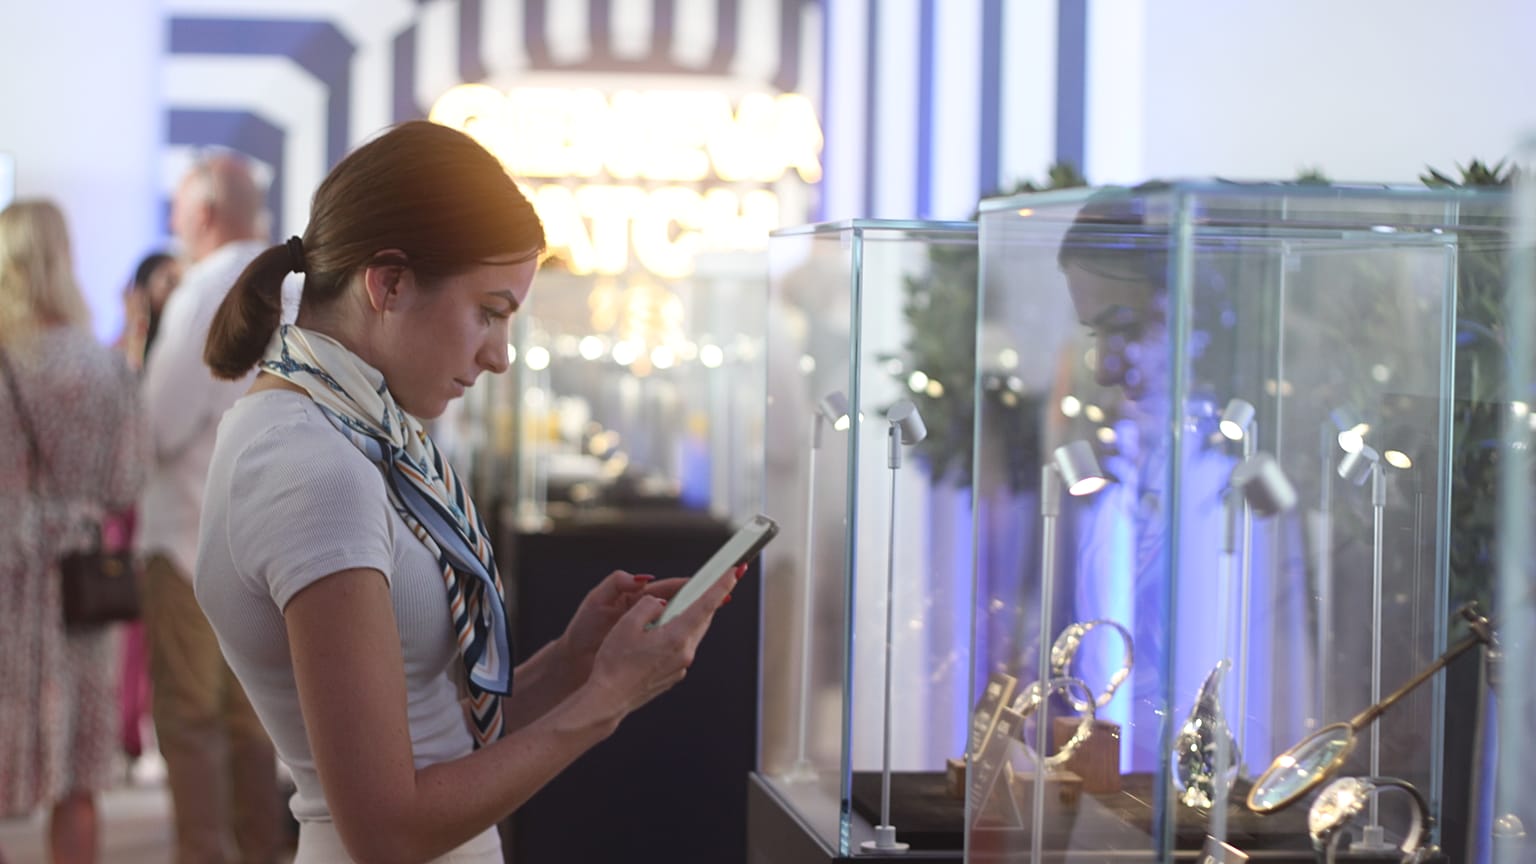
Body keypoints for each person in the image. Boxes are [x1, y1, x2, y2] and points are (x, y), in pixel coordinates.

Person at [195, 119, 741, 863]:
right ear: (388, 282)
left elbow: (434, 730)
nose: (499, 356)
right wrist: (604, 701)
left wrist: (570, 663)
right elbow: (385, 827)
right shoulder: (312, 464)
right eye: (488, 312)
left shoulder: (358, 430)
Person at [138, 153, 284, 863]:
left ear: (202, 214)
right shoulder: (294, 287)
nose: (172, 222)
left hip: (191, 537)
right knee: (254, 720)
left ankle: (203, 854)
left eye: (175, 208)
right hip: (271, 545)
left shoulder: (204, 294)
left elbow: (156, 426)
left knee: (192, 721)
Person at [0, 200, 146, 864]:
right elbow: (125, 485)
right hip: (79, 590)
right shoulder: (106, 367)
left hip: (8, 577)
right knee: (79, 782)